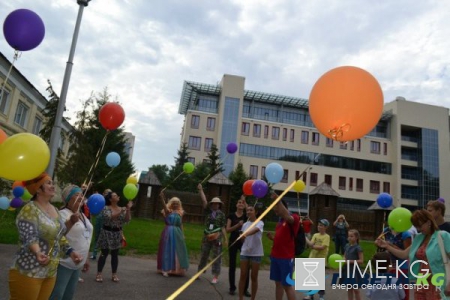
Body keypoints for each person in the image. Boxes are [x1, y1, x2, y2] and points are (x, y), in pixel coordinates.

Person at [8, 173, 83, 300]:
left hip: (50, 273)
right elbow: (29, 235)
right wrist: (38, 252)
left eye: (52, 183)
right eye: (48, 183)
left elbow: (59, 236)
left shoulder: (54, 210)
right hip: (29, 271)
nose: (53, 186)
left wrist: (71, 251)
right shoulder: (30, 209)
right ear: (38, 189)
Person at [376, 209, 450, 299]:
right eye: (416, 226)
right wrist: (387, 246)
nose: (418, 229)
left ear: (428, 222)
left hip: (438, 283)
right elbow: (403, 254)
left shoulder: (443, 236)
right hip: (421, 283)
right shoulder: (419, 238)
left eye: (420, 226)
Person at [49, 184, 93, 300]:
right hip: (64, 262)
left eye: (81, 195)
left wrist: (86, 258)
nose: (80, 197)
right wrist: (71, 222)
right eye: (76, 195)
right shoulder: (62, 214)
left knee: (69, 295)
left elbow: (86, 237)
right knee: (57, 295)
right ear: (68, 198)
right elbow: (57, 235)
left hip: (78, 263)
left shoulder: (83, 215)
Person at [266, 195, 300, 300]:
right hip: (275, 256)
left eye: (276, 206)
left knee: (287, 285)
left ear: (283, 207)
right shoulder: (279, 222)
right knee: (278, 284)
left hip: (286, 258)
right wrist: (273, 238)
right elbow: (282, 239)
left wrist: (278, 201)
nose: (275, 209)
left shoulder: (294, 217)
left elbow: (289, 219)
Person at [95, 191, 132, 283]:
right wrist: (121, 211)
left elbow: (127, 220)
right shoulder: (106, 208)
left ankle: (114, 274)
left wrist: (128, 209)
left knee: (115, 255)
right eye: (115, 195)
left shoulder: (121, 208)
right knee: (104, 253)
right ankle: (99, 273)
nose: (118, 196)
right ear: (111, 199)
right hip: (106, 232)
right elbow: (109, 217)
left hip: (116, 234)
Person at [197, 183, 228, 284]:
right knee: (204, 254)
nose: (215, 205)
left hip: (217, 238)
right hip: (207, 236)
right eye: (214, 203)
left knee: (216, 256)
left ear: (219, 205)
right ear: (212, 204)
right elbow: (204, 201)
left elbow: (223, 227)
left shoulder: (222, 215)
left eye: (217, 203)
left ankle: (215, 275)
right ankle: (200, 271)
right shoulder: (208, 212)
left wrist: (225, 238)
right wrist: (201, 190)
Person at [156, 192, 189, 277]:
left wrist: (183, 233)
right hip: (168, 231)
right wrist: (162, 199)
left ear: (179, 204)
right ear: (171, 203)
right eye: (174, 203)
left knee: (177, 250)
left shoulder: (180, 212)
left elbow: (181, 224)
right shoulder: (168, 211)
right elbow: (164, 207)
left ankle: (176, 268)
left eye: (177, 203)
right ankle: (165, 269)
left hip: (177, 232)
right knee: (167, 249)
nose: (175, 204)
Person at [239, 205, 264, 300]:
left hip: (256, 253)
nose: (248, 212)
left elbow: (255, 230)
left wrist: (245, 234)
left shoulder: (260, 223)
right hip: (245, 251)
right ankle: (240, 298)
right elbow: (242, 239)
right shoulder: (245, 224)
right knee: (243, 275)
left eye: (251, 210)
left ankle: (252, 298)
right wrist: (241, 237)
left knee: (254, 276)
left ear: (256, 212)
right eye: (247, 210)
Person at [226, 195, 250, 296]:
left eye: (242, 203)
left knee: (246, 266)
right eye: (239, 202)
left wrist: (245, 201)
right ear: (236, 205)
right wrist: (237, 225)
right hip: (233, 242)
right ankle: (232, 288)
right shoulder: (231, 216)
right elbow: (227, 230)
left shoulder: (246, 216)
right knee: (232, 265)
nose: (241, 204)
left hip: (243, 242)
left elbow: (250, 210)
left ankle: (245, 289)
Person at [381, 224, 412, 300]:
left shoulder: (405, 234)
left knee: (402, 292)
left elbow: (408, 253)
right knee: (388, 291)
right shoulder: (386, 230)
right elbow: (377, 241)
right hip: (388, 265)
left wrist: (390, 246)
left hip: (401, 267)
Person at [305, 219, 330, 300]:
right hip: (312, 258)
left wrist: (312, 246)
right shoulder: (315, 235)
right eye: (319, 225)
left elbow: (322, 247)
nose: (319, 226)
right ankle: (310, 295)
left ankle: (321, 295)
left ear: (326, 227)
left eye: (321, 225)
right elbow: (310, 244)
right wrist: (304, 237)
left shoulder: (327, 237)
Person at [342, 229, 363, 300]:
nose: (349, 238)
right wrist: (343, 259)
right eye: (348, 236)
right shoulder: (347, 246)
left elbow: (361, 260)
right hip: (347, 269)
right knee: (349, 288)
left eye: (352, 236)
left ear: (356, 237)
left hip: (354, 270)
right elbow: (344, 255)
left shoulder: (358, 248)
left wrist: (349, 261)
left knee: (356, 290)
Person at [90, 188, 111, 260]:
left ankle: (102, 254)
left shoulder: (110, 202)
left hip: (105, 220)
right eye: (106, 193)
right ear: (103, 194)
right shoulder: (101, 200)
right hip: (99, 219)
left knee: (103, 237)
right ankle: (94, 253)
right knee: (97, 236)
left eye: (109, 193)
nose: (107, 194)